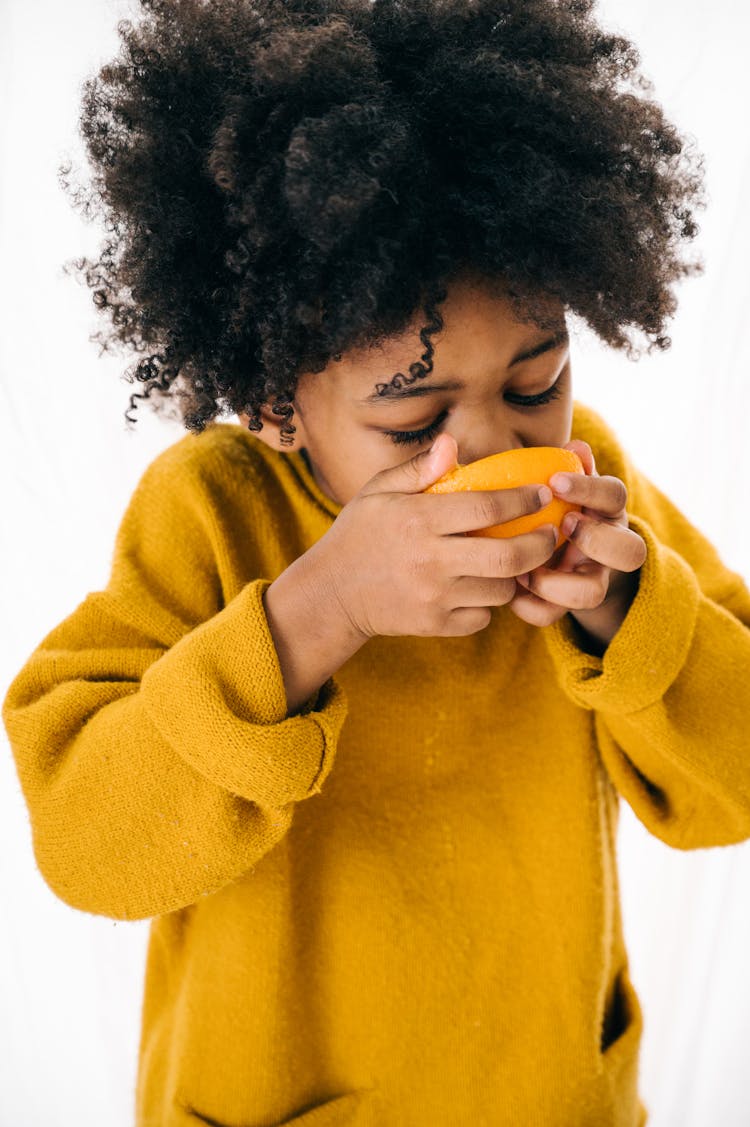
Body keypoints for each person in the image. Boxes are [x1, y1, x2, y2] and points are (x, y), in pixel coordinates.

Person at [4, 0, 750, 1124]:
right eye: (415, 422)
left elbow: (732, 787)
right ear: (275, 404)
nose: (497, 450)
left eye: (535, 382)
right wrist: (318, 610)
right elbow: (89, 849)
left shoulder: (603, 501)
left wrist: (629, 611)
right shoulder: (210, 511)